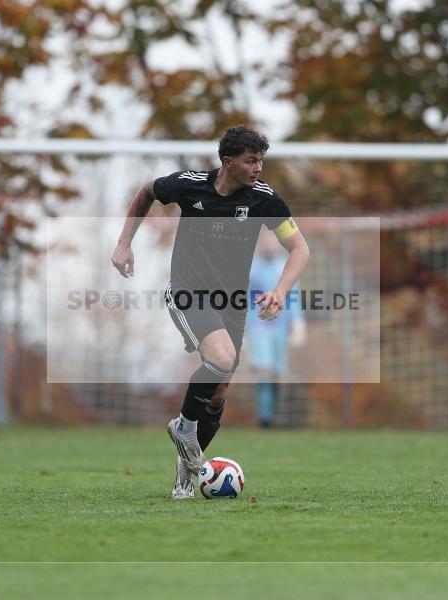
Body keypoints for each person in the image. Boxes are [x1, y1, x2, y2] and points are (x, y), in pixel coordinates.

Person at [111, 125, 309, 498]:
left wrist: (280, 291)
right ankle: (184, 427)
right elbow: (148, 191)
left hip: (232, 305)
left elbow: (300, 249)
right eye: (251, 161)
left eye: (261, 160)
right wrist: (124, 244)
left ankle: (185, 475)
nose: (258, 168)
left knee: (217, 395)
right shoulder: (190, 185)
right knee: (221, 357)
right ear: (228, 161)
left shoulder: (264, 199)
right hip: (187, 292)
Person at [247, 232, 305, 428]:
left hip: (280, 329)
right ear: (261, 244)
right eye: (265, 241)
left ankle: (270, 415)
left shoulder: (285, 267)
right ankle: (263, 418)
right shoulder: (252, 269)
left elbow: (293, 296)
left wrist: (297, 323)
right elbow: (243, 300)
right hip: (258, 326)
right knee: (265, 369)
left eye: (273, 241)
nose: (269, 245)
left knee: (276, 373)